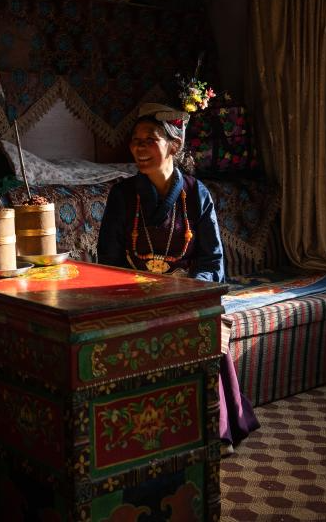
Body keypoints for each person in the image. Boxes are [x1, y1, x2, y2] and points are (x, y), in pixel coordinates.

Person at [97, 103, 259, 451]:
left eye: (149, 140)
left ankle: (213, 430)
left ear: (174, 145)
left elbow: (213, 258)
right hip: (135, 292)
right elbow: (108, 257)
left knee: (204, 327)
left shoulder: (196, 194)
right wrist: (132, 291)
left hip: (185, 292)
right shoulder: (123, 195)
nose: (139, 147)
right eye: (135, 140)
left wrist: (189, 289)